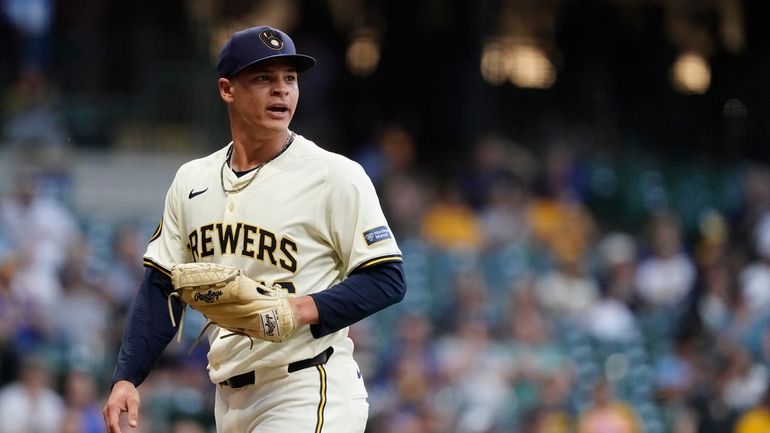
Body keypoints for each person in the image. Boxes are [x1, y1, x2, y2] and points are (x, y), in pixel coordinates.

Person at [102, 25, 406, 433]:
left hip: (307, 387)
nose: (281, 90)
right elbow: (161, 287)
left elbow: (387, 278)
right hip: (229, 399)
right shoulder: (192, 180)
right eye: (264, 78)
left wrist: (299, 309)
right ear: (227, 89)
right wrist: (127, 377)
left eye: (290, 79)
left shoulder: (335, 175)